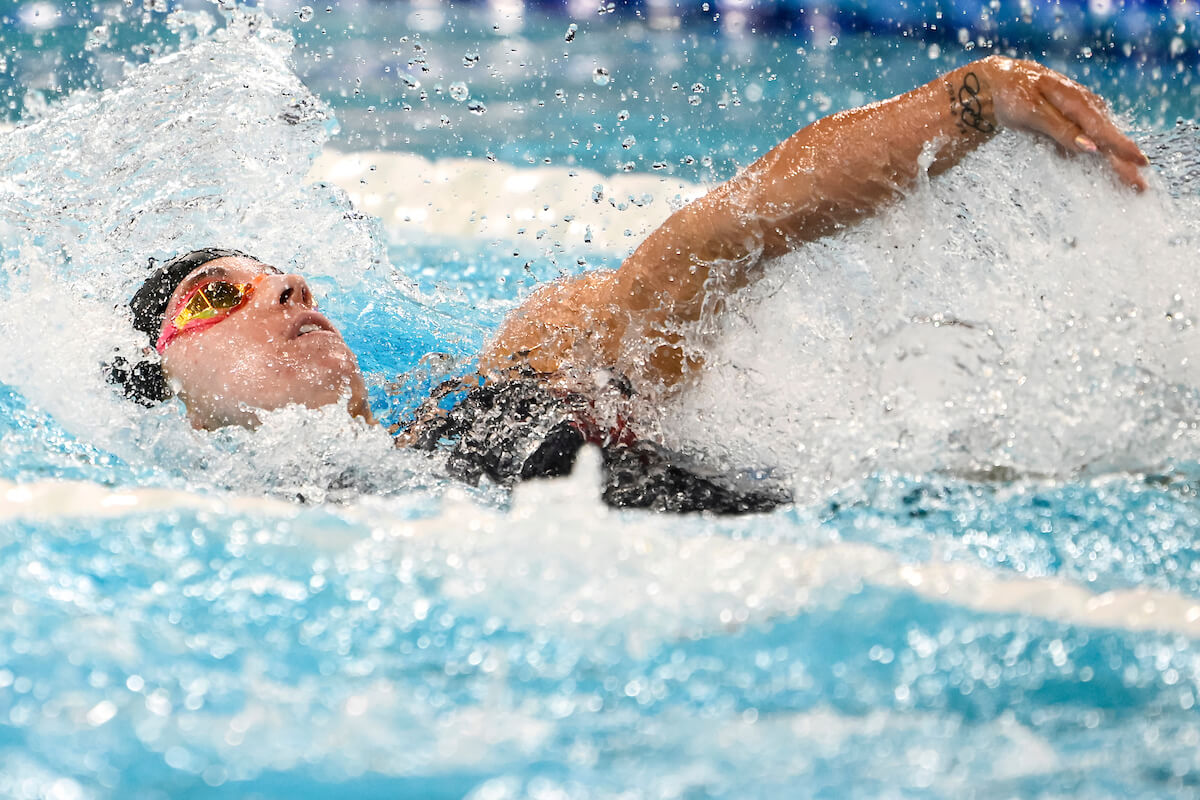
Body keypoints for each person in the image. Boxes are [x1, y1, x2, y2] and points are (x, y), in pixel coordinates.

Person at [108, 56, 1149, 512]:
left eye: (284, 275)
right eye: (218, 293)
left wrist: (972, 101)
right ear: (169, 388)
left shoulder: (513, 375)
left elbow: (704, 244)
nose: (286, 289)